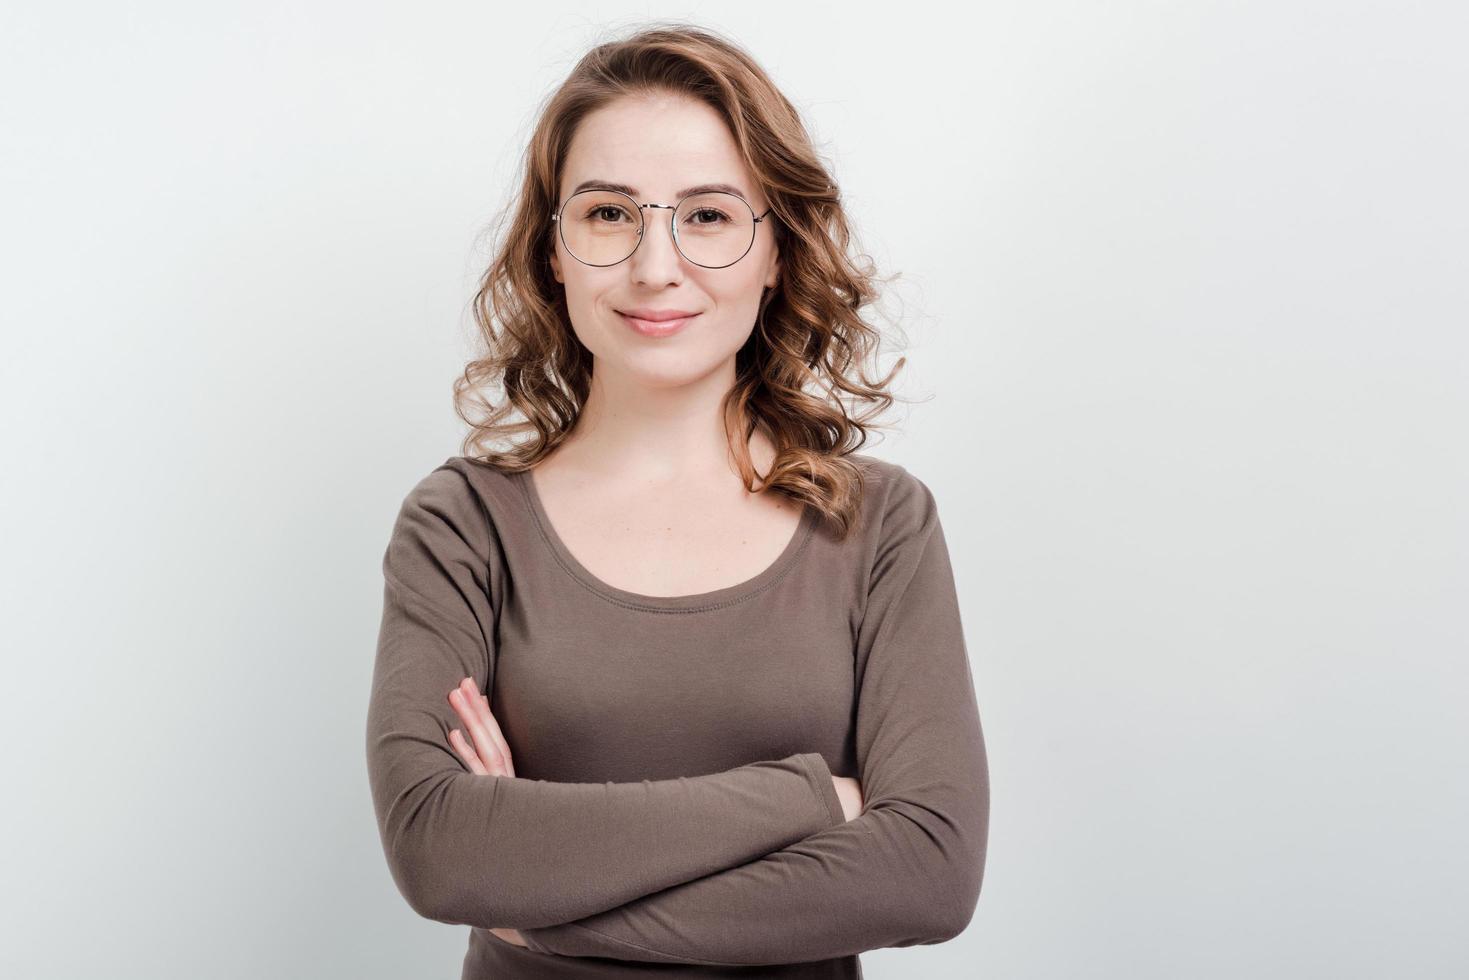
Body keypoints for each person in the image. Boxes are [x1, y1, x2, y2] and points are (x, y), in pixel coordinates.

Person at [364, 22, 990, 979]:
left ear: (776, 249)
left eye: (707, 216)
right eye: (610, 214)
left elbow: (929, 874)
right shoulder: (463, 524)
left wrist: (547, 907)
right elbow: (441, 848)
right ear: (554, 252)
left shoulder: (878, 525)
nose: (655, 266)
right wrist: (814, 798)